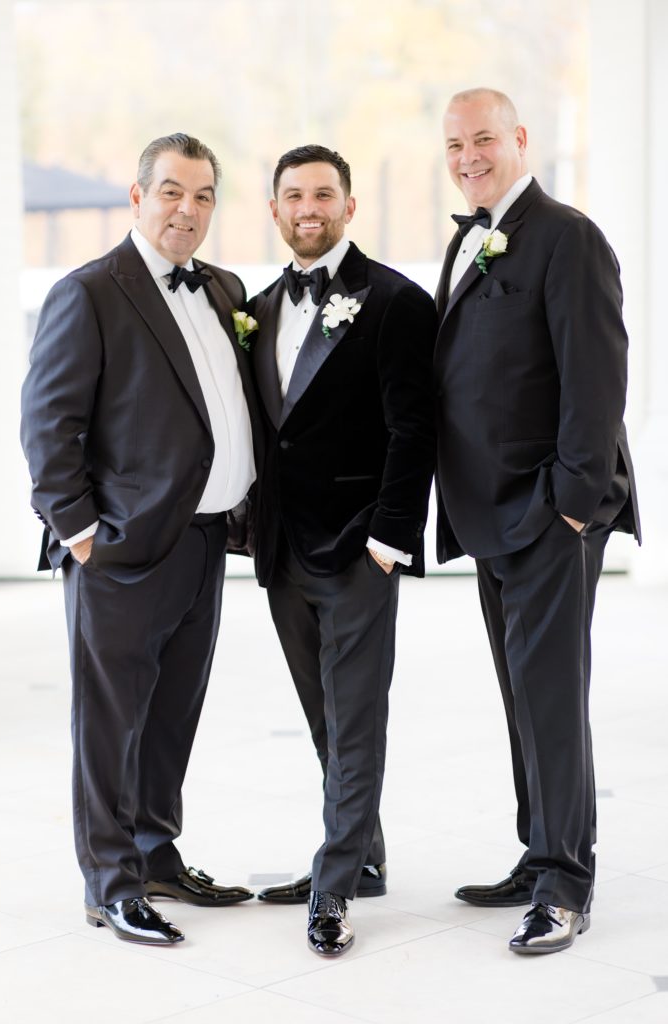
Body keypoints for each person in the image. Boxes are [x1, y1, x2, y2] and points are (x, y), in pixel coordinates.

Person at [20, 133, 261, 946]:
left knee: (171, 715)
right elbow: (48, 426)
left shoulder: (225, 287)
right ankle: (110, 881)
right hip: (120, 552)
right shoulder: (89, 292)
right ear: (137, 196)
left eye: (200, 197)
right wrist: (83, 534)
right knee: (110, 721)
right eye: (170, 192)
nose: (185, 210)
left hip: (202, 543)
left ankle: (158, 855)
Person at [434, 88, 640, 954]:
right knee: (523, 695)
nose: (469, 155)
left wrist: (567, 506)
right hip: (491, 518)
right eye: (455, 143)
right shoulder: (470, 236)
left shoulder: (568, 237)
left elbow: (595, 383)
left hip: (548, 517)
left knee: (551, 698)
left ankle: (564, 880)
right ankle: (537, 849)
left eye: (484, 138)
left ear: (520, 139)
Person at [249, 145, 437, 956]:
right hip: (283, 550)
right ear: (275, 209)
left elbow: (414, 428)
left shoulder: (395, 301)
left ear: (349, 206)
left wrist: (390, 538)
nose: (308, 207)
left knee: (355, 719)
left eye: (323, 193)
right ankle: (363, 854)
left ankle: (332, 887)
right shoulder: (255, 307)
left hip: (361, 547)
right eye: (293, 195)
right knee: (323, 716)